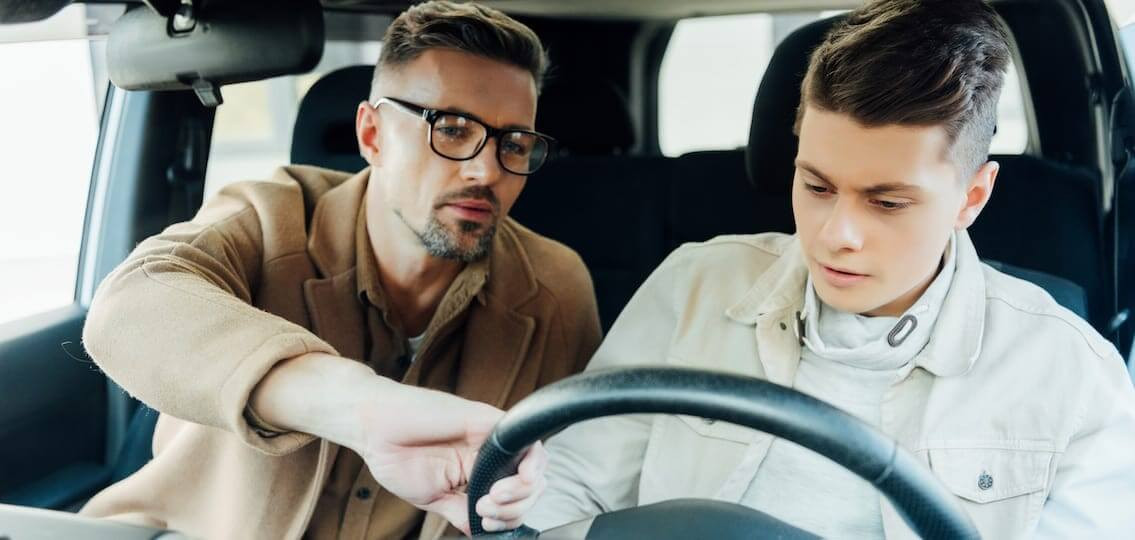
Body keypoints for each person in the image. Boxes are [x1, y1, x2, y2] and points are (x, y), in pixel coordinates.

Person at [526, 0, 1135, 538]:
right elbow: (566, 496)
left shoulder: (1073, 379)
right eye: (816, 185)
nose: (836, 235)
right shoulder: (693, 287)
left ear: (971, 198)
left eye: (888, 202)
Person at [79, 2, 601, 539]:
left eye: (514, 144)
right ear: (372, 134)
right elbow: (128, 306)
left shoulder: (555, 290)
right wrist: (360, 407)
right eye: (451, 129)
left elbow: (583, 474)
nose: (485, 170)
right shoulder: (267, 219)